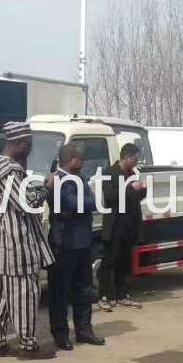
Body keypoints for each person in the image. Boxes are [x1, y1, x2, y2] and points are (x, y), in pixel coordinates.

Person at [0, 121, 56, 359]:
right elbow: (28, 203)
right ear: (19, 144)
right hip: (15, 244)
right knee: (24, 294)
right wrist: (47, 187)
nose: (30, 149)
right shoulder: (10, 170)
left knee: (0, 295)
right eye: (28, 145)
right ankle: (28, 346)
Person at [46, 143, 103, 350]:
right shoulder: (55, 180)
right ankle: (60, 334)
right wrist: (83, 202)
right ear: (71, 159)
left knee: (84, 290)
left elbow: (93, 202)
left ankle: (84, 330)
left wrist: (83, 202)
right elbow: (69, 204)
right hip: (63, 245)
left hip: (83, 243)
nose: (84, 162)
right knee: (60, 293)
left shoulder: (79, 179)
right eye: (81, 158)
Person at [97, 143, 147, 312]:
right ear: (127, 157)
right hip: (115, 225)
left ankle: (122, 294)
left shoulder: (133, 174)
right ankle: (103, 296)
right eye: (135, 158)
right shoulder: (109, 173)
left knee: (125, 261)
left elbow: (135, 197)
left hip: (129, 225)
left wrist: (142, 190)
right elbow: (110, 196)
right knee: (109, 261)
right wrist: (129, 187)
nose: (137, 162)